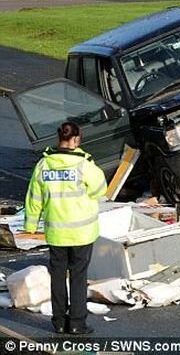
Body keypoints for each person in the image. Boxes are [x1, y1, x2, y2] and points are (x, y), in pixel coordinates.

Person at [24, 122, 107, 335]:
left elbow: (34, 198)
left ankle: (59, 322)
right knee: (78, 277)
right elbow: (100, 190)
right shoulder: (84, 165)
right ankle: (78, 323)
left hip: (56, 232)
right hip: (82, 232)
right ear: (76, 139)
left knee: (58, 277)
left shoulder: (43, 165)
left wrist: (30, 226)